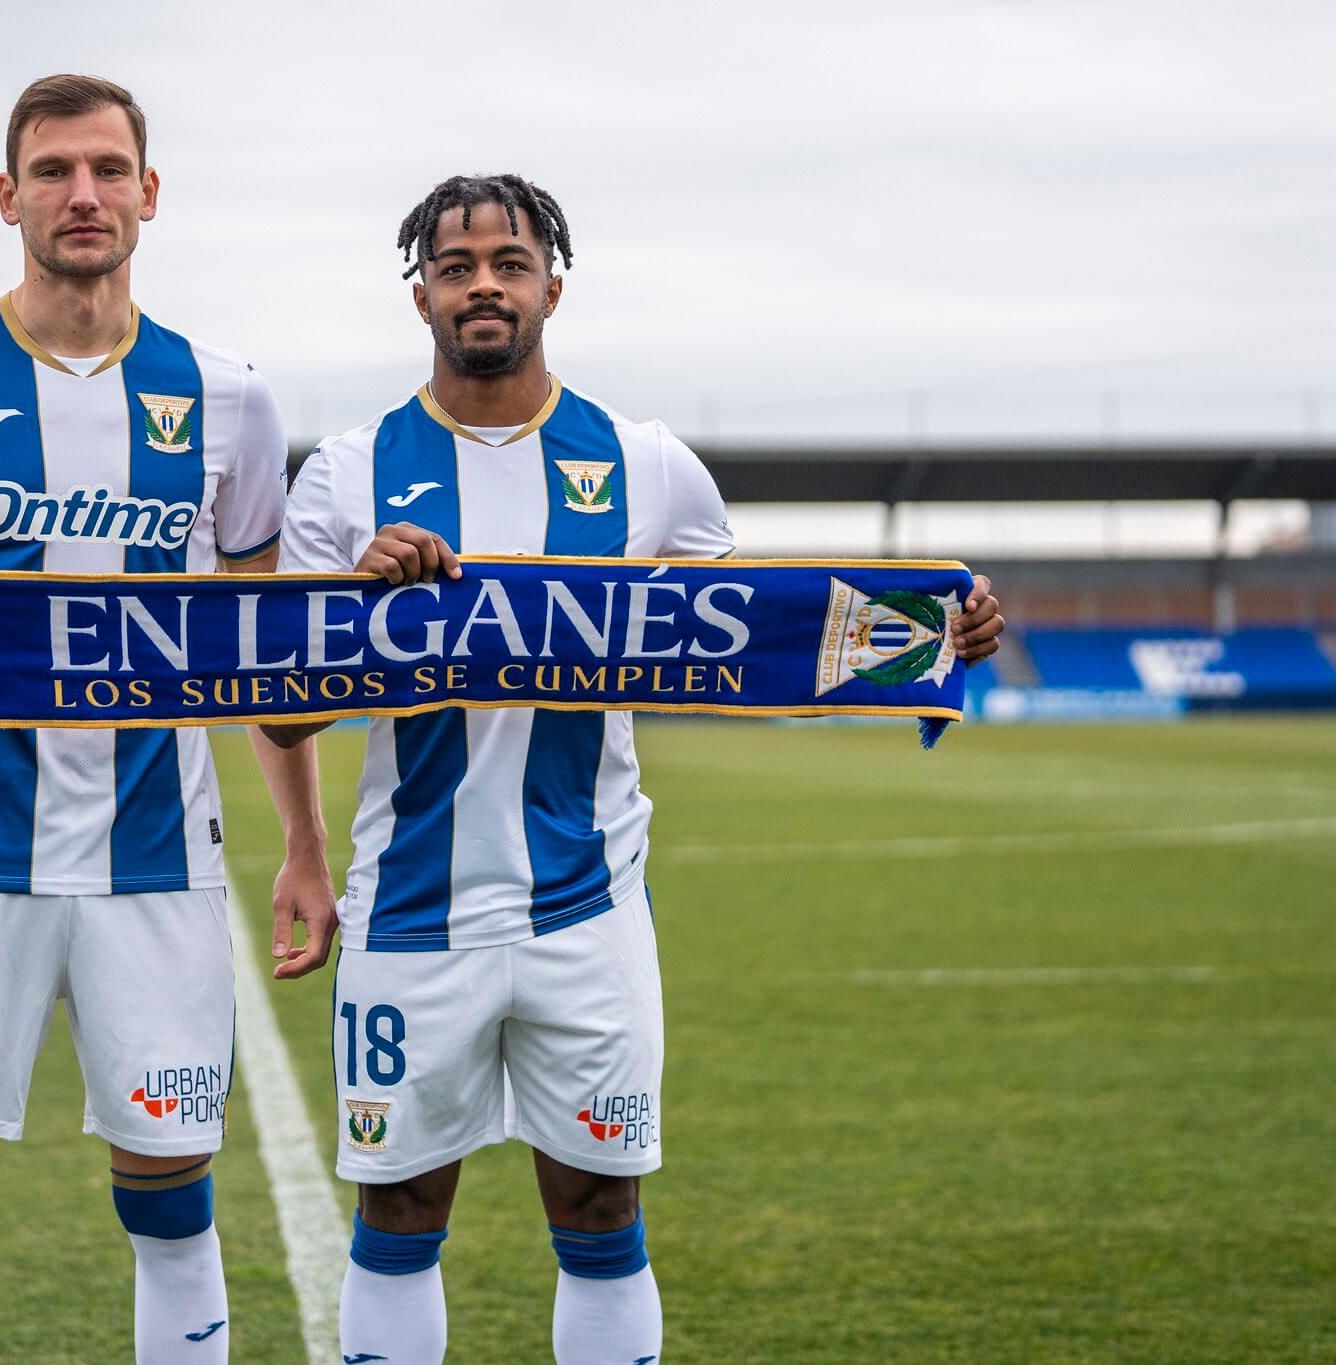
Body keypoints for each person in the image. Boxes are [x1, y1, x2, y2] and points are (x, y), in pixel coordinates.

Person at [264, 173, 1005, 1364]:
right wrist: (353, 621)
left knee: (601, 1212)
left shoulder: (648, 466)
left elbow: (761, 642)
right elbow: (278, 711)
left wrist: (928, 632)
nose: (484, 285)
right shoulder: (346, 478)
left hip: (588, 906)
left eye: (508, 261)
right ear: (420, 298)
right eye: (455, 268)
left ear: (552, 283)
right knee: (398, 1214)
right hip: (410, 908)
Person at [0, 74, 337, 1363]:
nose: (79, 194)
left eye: (104, 169)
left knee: (173, 1202)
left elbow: (253, 660)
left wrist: (304, 850)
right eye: (51, 171)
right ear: (6, 196)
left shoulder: (229, 398)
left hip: (159, 860)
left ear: (149, 193)